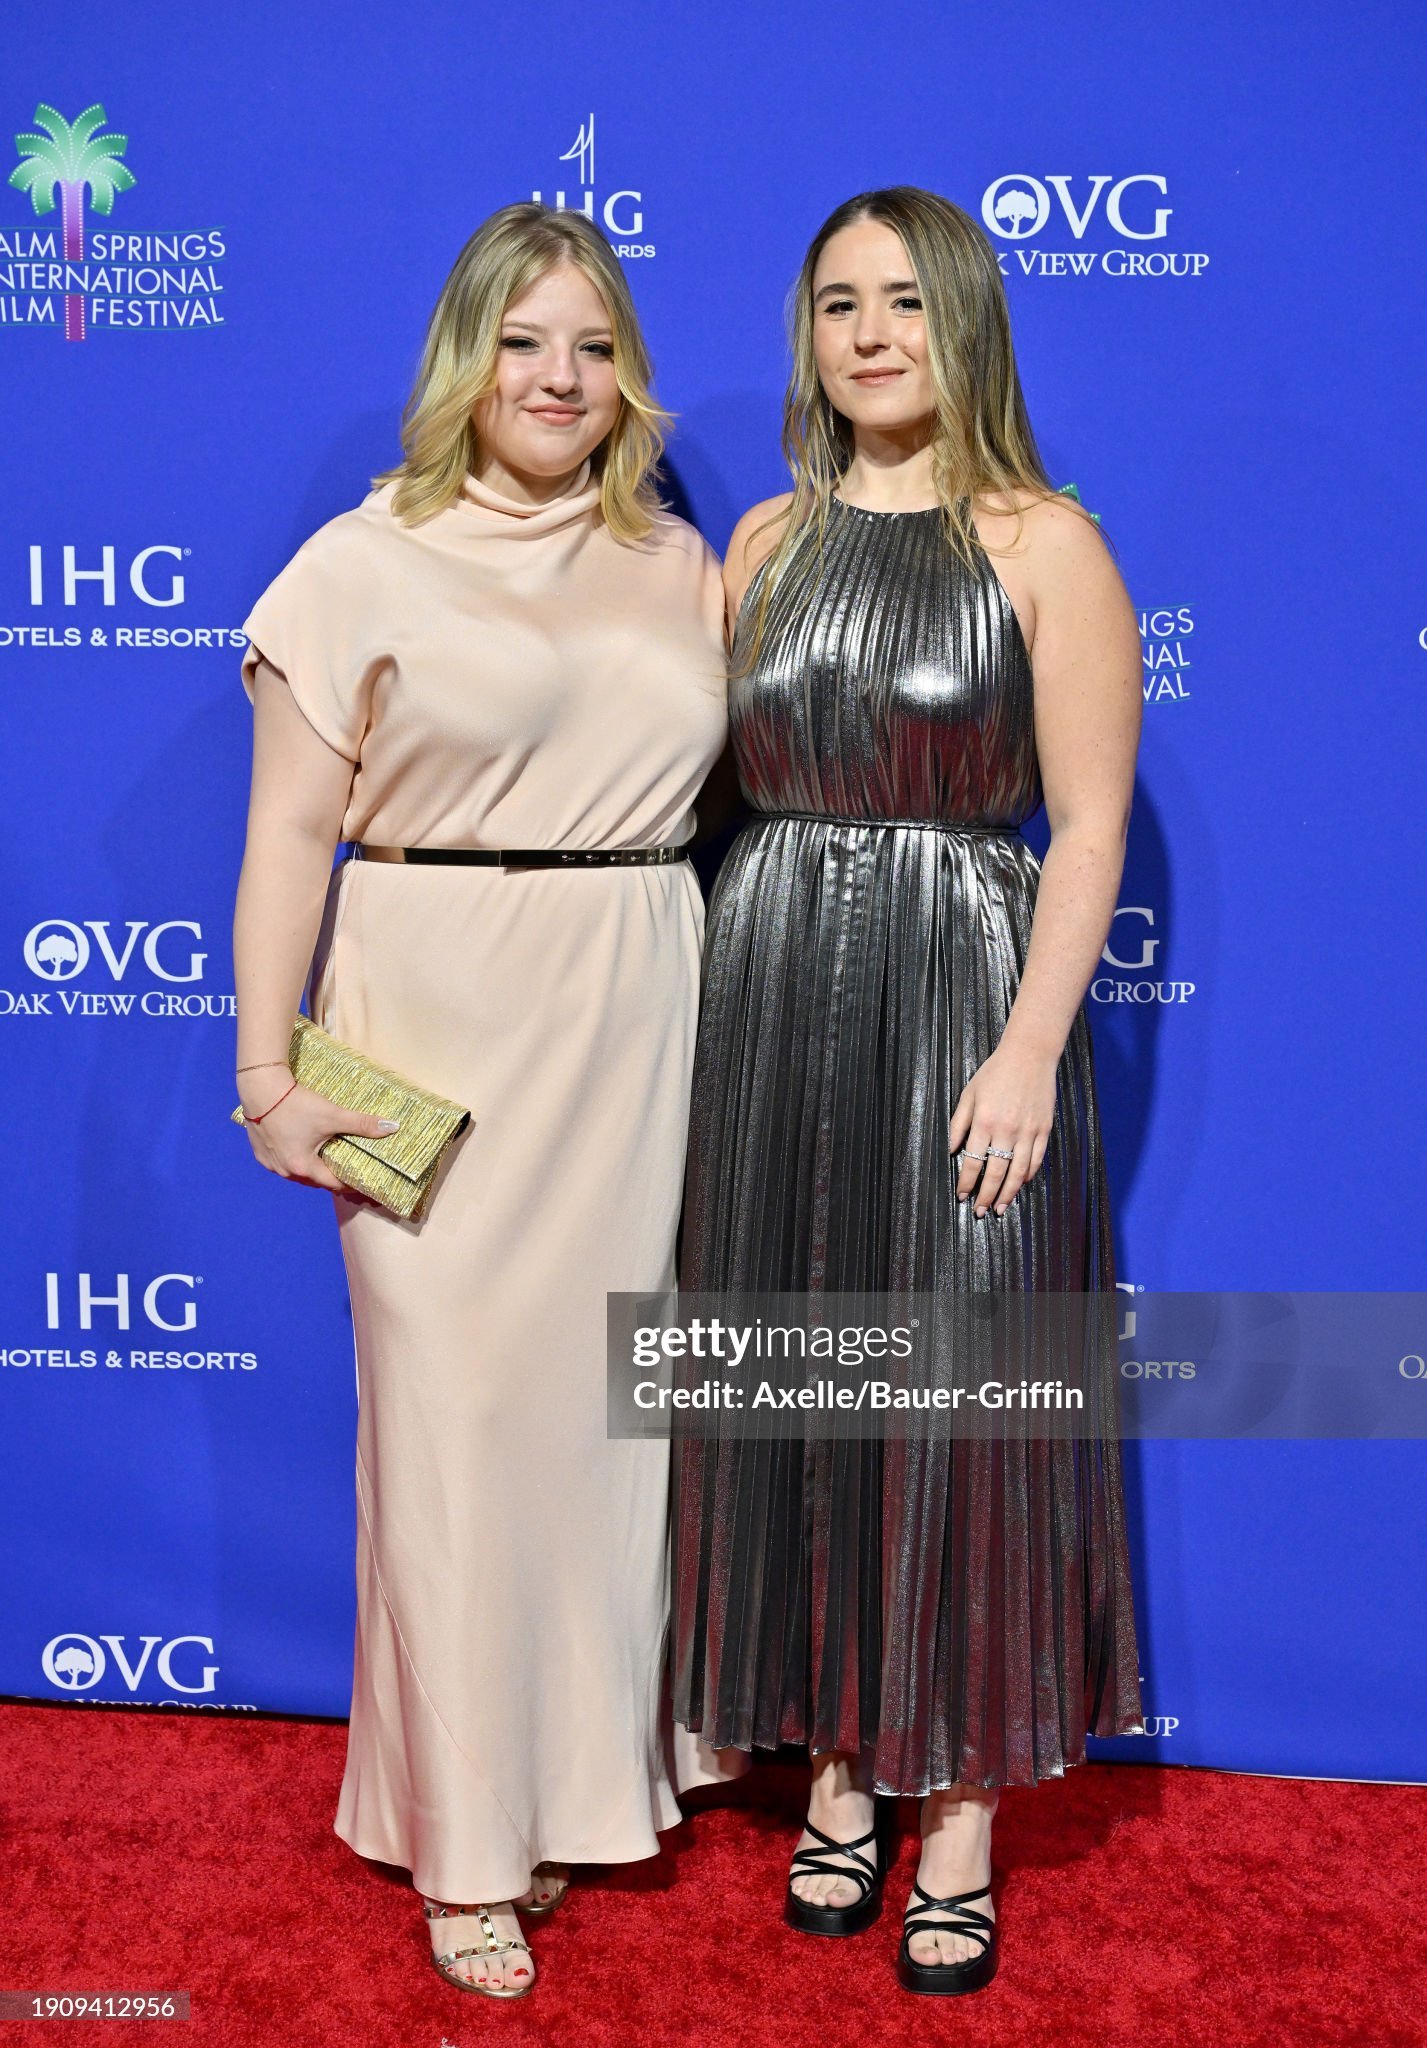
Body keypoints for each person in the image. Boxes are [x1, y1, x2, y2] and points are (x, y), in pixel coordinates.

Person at [232, 202, 727, 2000]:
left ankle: (587, 1784)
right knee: (447, 1436)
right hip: (430, 1024)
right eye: (525, 341)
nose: (560, 378)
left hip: (635, 1014)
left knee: (602, 1440)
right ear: (466, 356)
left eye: (594, 346)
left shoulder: (679, 562)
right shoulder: (357, 565)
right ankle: (462, 1849)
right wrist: (266, 1072)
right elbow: (290, 835)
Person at [670, 186, 1144, 1996]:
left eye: (905, 302)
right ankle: (838, 1768)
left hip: (961, 989)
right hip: (770, 988)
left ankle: (958, 1815)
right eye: (838, 303)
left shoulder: (1047, 543)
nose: (870, 335)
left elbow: (1085, 827)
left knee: (958, 1395)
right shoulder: (766, 541)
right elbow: (688, 790)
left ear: (966, 323)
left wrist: (1027, 1047)